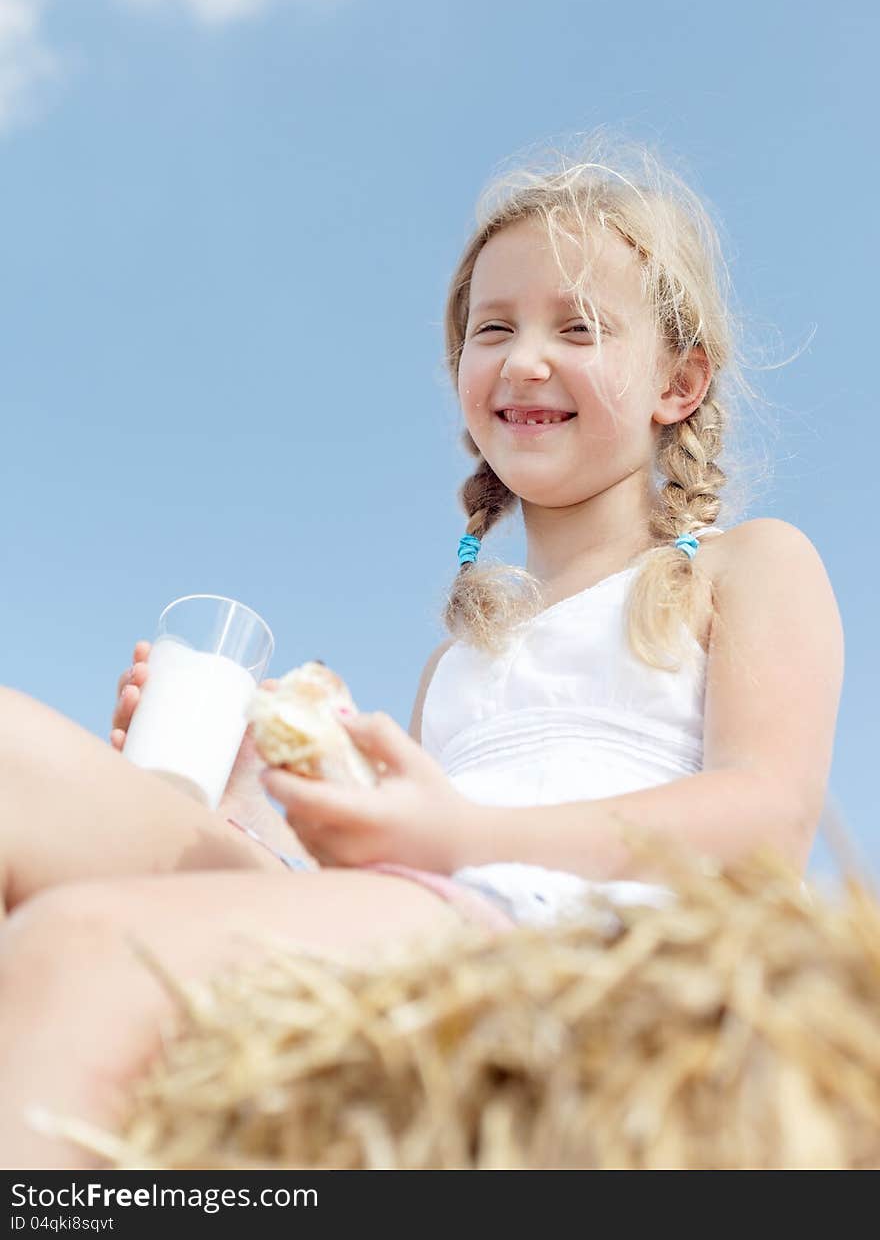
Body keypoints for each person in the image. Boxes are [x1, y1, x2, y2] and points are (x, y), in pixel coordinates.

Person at [0, 141, 844, 1168]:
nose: (526, 356)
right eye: (494, 328)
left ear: (679, 380)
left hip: (591, 950)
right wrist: (242, 800)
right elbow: (371, 892)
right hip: (444, 912)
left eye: (577, 325)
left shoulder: (746, 565)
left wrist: (463, 829)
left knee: (76, 949)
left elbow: (768, 817)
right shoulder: (456, 667)